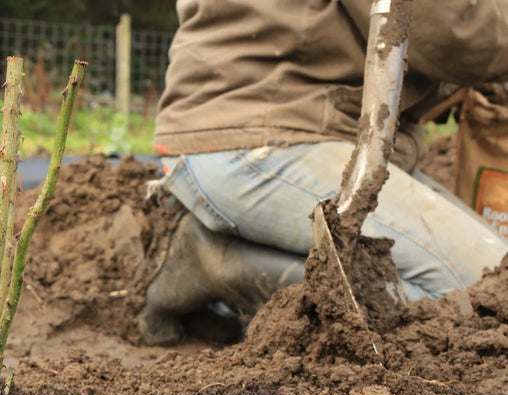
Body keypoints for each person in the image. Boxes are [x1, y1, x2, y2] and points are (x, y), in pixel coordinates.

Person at [138, 0, 508, 345]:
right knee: (487, 301)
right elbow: (447, 27)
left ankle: (231, 250)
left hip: (271, 123)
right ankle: (215, 262)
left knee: (495, 275)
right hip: (267, 135)